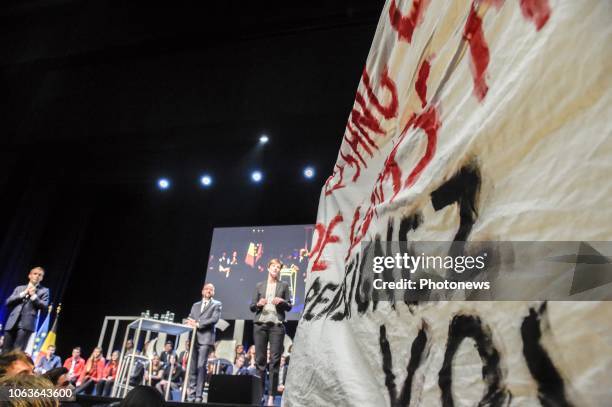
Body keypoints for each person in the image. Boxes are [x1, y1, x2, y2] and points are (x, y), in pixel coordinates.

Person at [250, 258, 292, 406]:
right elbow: (252, 307)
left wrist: (282, 301)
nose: (276, 269)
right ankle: (259, 395)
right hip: (260, 325)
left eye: (278, 267)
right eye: (273, 266)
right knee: (260, 362)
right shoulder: (259, 285)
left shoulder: (284, 285)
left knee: (274, 362)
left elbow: (289, 306)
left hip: (277, 326)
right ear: (268, 268)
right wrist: (258, 304)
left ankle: (271, 397)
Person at [185, 283, 222, 402]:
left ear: (213, 292)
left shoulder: (217, 304)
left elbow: (214, 319)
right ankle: (191, 395)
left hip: (205, 339)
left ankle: (198, 396)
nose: (208, 291)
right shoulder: (195, 305)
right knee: (192, 368)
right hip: (194, 338)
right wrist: (188, 323)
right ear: (202, 291)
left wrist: (198, 324)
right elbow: (190, 317)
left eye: (211, 289)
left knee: (201, 366)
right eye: (206, 289)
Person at [2, 267, 49, 352]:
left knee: (17, 351)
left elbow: (44, 306)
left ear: (42, 278)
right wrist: (23, 293)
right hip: (12, 322)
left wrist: (34, 296)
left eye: (40, 275)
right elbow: (8, 302)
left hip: (26, 324)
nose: (37, 276)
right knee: (5, 350)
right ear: (29, 275)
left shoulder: (44, 291)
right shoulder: (19, 288)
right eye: (35, 274)